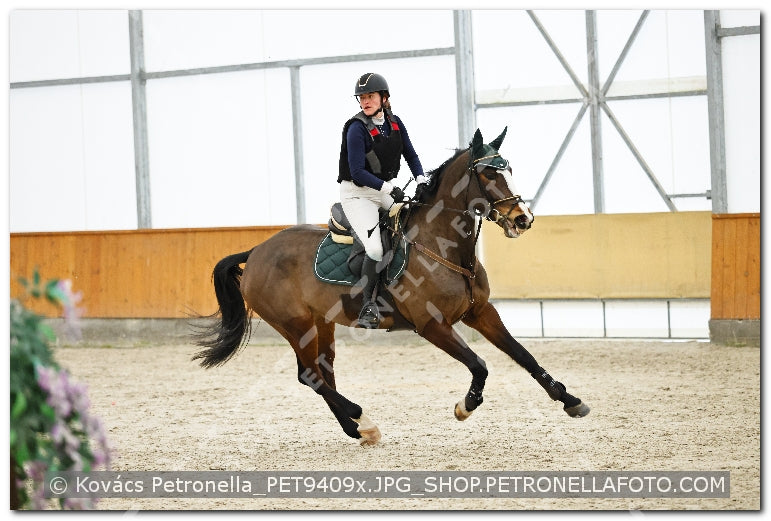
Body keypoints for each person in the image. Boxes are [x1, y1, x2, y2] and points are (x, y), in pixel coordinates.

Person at [337, 72, 428, 329]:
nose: (365, 101)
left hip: (382, 190)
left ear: (383, 98)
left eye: (370, 96)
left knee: (412, 225)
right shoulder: (356, 128)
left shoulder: (395, 123)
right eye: (362, 97)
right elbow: (357, 172)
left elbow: (410, 154)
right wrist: (388, 188)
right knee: (376, 249)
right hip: (357, 193)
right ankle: (367, 305)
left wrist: (421, 178)